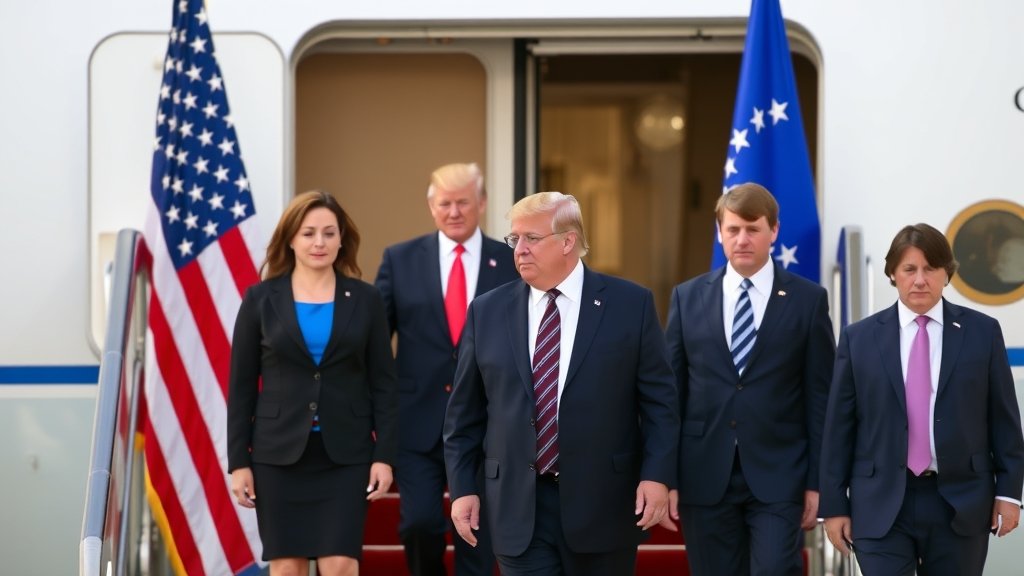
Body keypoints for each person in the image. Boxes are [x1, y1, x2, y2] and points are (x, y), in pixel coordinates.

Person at [443, 191, 680, 576]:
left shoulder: (630, 305)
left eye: (531, 238)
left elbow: (660, 406)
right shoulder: (487, 311)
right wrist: (463, 488)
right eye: (514, 238)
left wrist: (657, 476)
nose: (519, 249)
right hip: (518, 507)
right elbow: (463, 415)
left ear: (568, 241)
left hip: (603, 504)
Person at [819, 223, 1024, 575]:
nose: (919, 280)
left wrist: (1008, 493)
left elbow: (1004, 419)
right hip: (879, 502)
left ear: (947, 273)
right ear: (893, 274)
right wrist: (834, 504)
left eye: (930, 269)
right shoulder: (859, 339)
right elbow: (839, 429)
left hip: (960, 501)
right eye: (909, 269)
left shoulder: (982, 332)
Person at [664, 182, 835, 575]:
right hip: (703, 473)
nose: (742, 239)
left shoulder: (808, 301)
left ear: (773, 231)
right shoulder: (687, 298)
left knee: (775, 568)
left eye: (753, 229)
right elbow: (671, 396)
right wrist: (664, 476)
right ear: (719, 232)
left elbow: (820, 398)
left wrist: (818, 481)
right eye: (733, 229)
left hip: (780, 475)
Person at [227, 191, 399, 576]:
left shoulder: (366, 299)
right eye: (308, 233)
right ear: (290, 239)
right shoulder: (260, 299)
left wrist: (385, 456)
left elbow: (385, 385)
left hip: (346, 455)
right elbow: (240, 387)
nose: (319, 242)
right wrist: (238, 462)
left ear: (341, 240)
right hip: (277, 456)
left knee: (339, 565)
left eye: (328, 233)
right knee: (287, 567)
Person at [375, 162, 516, 575]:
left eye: (463, 203)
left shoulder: (510, 261)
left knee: (478, 538)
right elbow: (376, 345)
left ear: (482, 203)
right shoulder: (400, 259)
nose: (454, 212)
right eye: (445, 204)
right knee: (419, 525)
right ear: (431, 207)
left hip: (487, 423)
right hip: (416, 421)